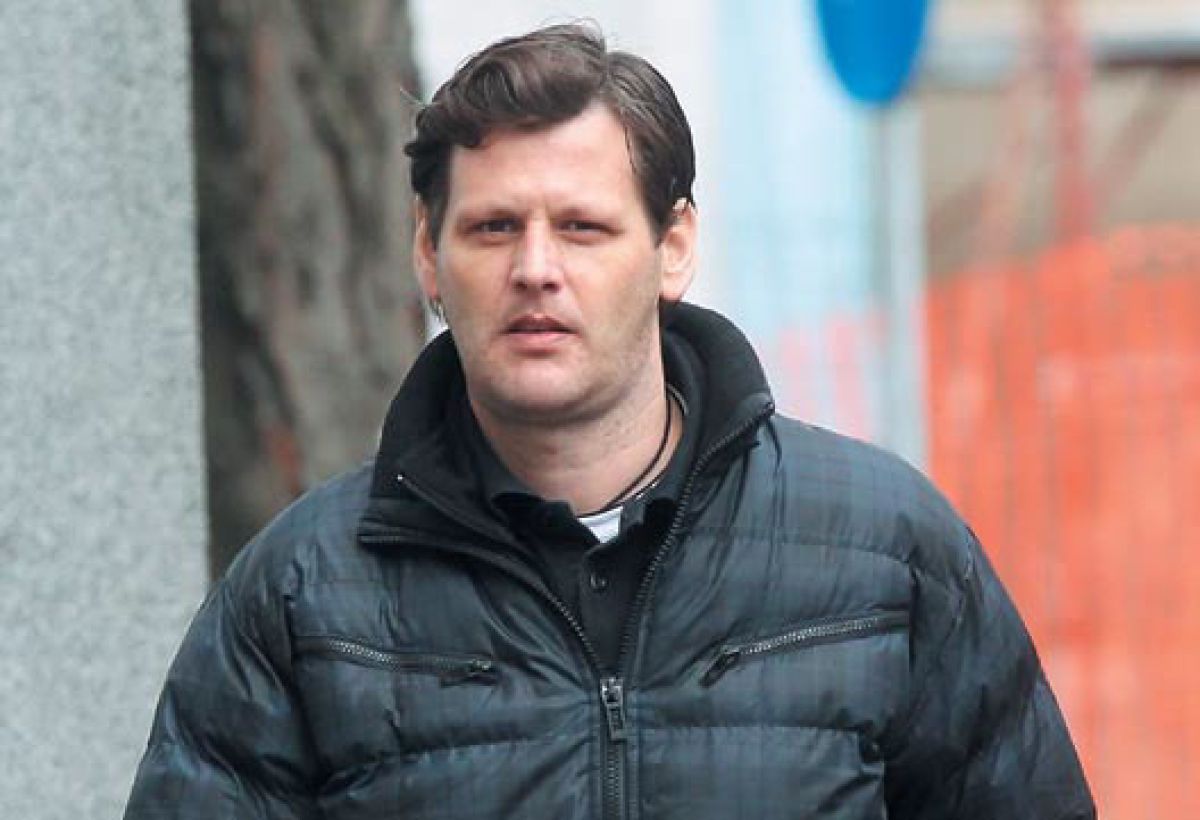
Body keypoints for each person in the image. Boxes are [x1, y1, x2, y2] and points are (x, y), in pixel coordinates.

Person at [124, 23, 1095, 819]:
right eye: (493, 227)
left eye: (582, 227)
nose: (535, 269)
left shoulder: (884, 551)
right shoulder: (303, 594)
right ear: (428, 254)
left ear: (674, 247)